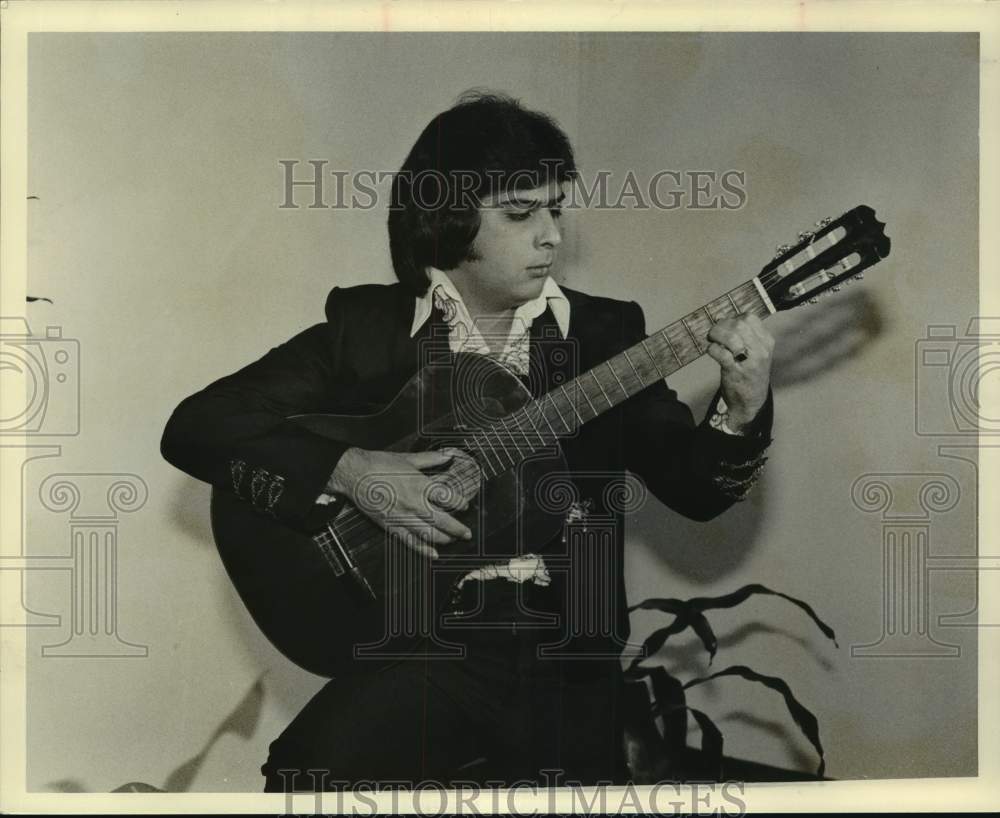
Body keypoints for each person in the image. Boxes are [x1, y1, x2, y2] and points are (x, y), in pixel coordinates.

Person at [159, 91, 775, 791]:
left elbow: (697, 491)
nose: (550, 236)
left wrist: (743, 404)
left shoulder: (603, 336)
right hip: (423, 640)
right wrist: (353, 470)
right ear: (447, 219)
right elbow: (198, 426)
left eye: (555, 210)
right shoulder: (367, 331)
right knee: (308, 778)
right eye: (520, 213)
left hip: (566, 649)